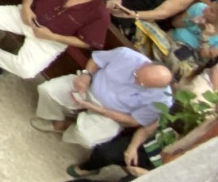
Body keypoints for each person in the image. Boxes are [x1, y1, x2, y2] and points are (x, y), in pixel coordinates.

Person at [32, 47, 173, 149]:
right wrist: (86, 75)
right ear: (145, 65)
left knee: (86, 138)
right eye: (137, 77)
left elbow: (133, 121)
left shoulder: (163, 100)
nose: (137, 83)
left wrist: (97, 109)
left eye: (143, 85)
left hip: (113, 114)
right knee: (47, 90)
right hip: (90, 87)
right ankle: (56, 121)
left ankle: (68, 126)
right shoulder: (126, 55)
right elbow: (96, 59)